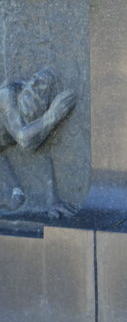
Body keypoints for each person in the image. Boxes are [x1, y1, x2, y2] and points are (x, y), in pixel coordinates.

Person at [0, 67, 77, 217]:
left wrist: (52, 201)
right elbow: (24, 139)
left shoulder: (35, 106)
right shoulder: (7, 95)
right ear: (29, 84)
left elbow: (40, 148)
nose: (29, 114)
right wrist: (52, 116)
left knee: (17, 199)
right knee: (14, 199)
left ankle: (15, 193)